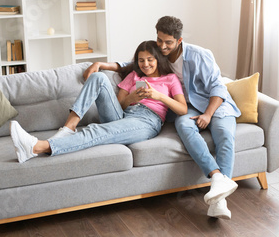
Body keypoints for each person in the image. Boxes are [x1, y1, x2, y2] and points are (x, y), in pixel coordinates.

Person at [84, 16, 241, 220]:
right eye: (160, 40)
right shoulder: (161, 54)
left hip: (215, 105)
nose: (163, 46)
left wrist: (208, 115)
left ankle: (219, 200)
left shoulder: (200, 55)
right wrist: (101, 64)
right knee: (183, 126)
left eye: (168, 42)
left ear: (179, 40)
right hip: (188, 107)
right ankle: (216, 175)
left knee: (224, 136)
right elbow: (134, 64)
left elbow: (218, 87)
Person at [10, 40, 187, 164]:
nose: (145, 64)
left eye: (150, 60)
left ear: (158, 59)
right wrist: (131, 99)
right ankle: (68, 128)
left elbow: (182, 109)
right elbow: (118, 106)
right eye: (141, 60)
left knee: (96, 130)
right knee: (98, 77)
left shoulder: (170, 79)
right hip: (124, 114)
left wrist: (159, 96)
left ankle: (37, 147)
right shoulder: (134, 75)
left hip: (147, 121)